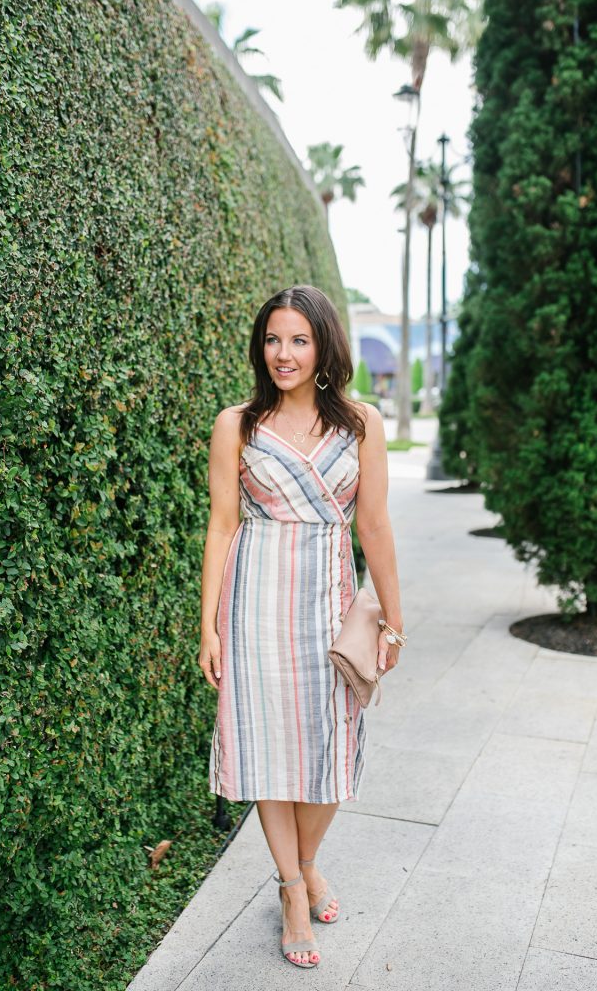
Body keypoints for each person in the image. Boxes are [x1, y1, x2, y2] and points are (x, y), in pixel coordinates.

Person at [199, 284, 404, 969]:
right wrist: (209, 626)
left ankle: (306, 859)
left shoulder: (360, 424)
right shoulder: (238, 424)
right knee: (267, 751)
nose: (283, 354)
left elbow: (372, 525)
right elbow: (223, 525)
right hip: (254, 604)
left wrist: (393, 621)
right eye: (272, 340)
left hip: (329, 604)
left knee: (331, 752)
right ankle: (292, 888)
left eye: (298, 340)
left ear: (322, 347)